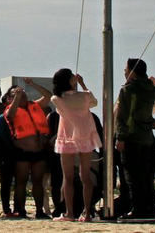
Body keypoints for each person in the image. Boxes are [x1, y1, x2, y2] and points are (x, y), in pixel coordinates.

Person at [114, 58, 155, 219]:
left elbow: (125, 116)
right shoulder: (151, 89)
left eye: (126, 69)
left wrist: (121, 137)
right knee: (145, 175)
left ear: (133, 71)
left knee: (132, 176)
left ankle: (138, 208)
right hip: (146, 137)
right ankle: (149, 207)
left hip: (132, 137)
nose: (124, 72)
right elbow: (145, 114)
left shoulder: (128, 89)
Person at [50, 69, 101, 222]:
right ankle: (86, 212)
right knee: (85, 176)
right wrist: (82, 84)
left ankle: (69, 213)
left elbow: (58, 100)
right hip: (86, 136)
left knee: (68, 177)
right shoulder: (85, 96)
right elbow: (94, 102)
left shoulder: (57, 98)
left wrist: (75, 84)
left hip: (67, 137)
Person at [5, 78, 51, 218]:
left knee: (38, 182)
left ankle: (39, 210)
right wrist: (16, 98)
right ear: (10, 98)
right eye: (16, 94)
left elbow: (48, 96)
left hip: (39, 151)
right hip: (22, 152)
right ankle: (21, 210)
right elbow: (10, 116)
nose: (21, 95)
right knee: (21, 181)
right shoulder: (10, 109)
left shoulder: (34, 105)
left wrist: (33, 84)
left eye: (22, 93)